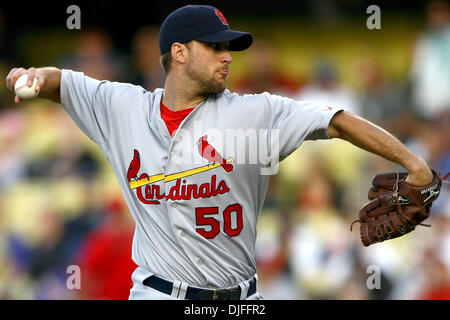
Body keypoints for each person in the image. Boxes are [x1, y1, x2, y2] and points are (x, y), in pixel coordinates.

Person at [5, 5, 434, 300]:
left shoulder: (257, 112)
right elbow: (61, 81)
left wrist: (414, 164)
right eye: (215, 47)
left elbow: (338, 119)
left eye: (229, 48)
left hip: (240, 295)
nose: (227, 58)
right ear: (179, 52)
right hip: (157, 291)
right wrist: (32, 76)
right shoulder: (122, 107)